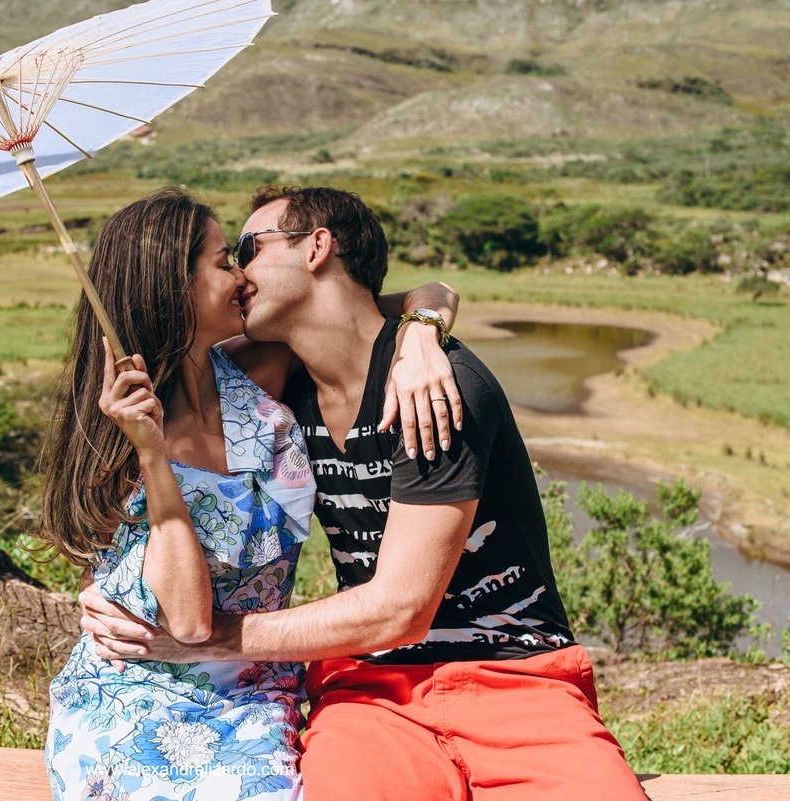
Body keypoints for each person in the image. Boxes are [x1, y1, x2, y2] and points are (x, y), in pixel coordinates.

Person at [84, 186, 649, 801]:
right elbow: (157, 435)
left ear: (317, 247)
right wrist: (107, 584)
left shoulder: (437, 386)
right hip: (369, 687)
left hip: (513, 676)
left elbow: (401, 609)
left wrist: (207, 638)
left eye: (250, 249)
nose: (240, 272)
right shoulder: (273, 385)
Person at [40, 187, 459, 801]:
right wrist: (153, 456)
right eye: (222, 262)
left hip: (259, 691)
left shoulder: (258, 367)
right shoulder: (122, 436)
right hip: (141, 696)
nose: (241, 275)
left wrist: (422, 332)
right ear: (173, 285)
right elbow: (188, 623)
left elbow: (398, 300)